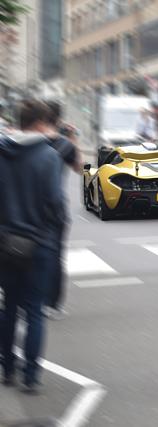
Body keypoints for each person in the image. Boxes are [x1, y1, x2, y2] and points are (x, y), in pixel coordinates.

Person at [0, 99, 66, 393]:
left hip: (5, 242)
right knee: (35, 310)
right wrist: (52, 229)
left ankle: (7, 369)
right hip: (38, 243)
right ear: (40, 123)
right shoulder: (48, 156)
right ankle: (30, 376)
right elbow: (54, 202)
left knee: (8, 307)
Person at [43, 101, 82, 320]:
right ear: (58, 120)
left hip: (22, 205)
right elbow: (78, 167)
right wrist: (73, 138)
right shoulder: (64, 144)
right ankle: (53, 304)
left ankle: (27, 299)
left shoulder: (20, 141)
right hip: (55, 207)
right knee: (54, 255)